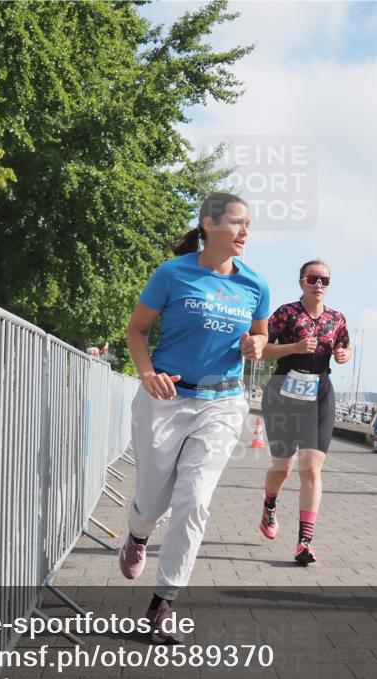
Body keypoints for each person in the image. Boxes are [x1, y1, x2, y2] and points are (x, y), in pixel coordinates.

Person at [118, 192, 269, 643]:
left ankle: (164, 601)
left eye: (249, 225)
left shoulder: (255, 285)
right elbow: (137, 329)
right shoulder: (173, 273)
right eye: (237, 223)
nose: (245, 233)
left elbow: (260, 336)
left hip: (222, 402)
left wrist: (256, 347)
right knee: (153, 497)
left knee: (195, 498)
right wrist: (146, 374)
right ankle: (138, 533)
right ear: (208, 224)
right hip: (165, 398)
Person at [258, 260, 351, 564]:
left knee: (311, 468)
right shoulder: (286, 314)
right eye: (313, 278)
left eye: (325, 279)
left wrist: (343, 355)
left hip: (319, 394)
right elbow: (262, 349)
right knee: (283, 469)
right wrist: (294, 347)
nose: (319, 284)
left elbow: (346, 349)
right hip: (283, 391)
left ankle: (304, 541)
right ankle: (269, 504)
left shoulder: (337, 319)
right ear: (302, 281)